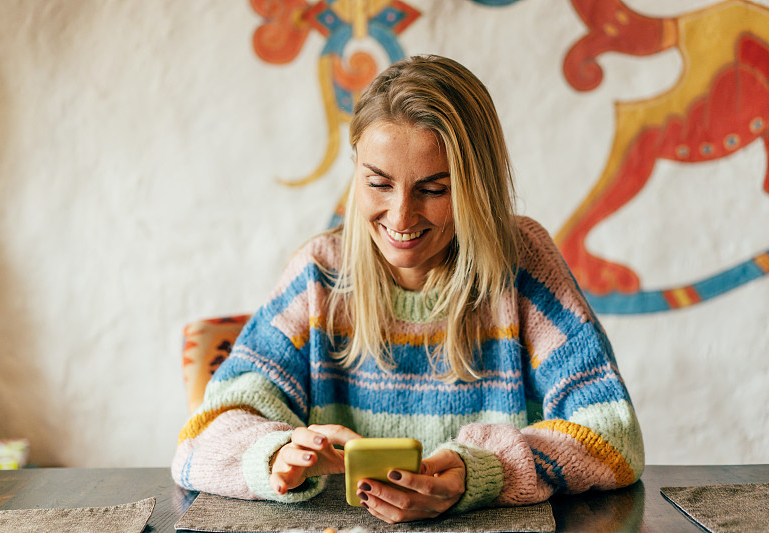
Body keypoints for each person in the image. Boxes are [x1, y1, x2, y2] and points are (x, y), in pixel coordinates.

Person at [172, 55, 644, 524]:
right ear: (356, 169)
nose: (400, 218)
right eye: (379, 183)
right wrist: (275, 453)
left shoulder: (521, 266)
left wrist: (477, 470)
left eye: (434, 190)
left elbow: (613, 434)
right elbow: (202, 438)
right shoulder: (319, 276)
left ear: (476, 184)